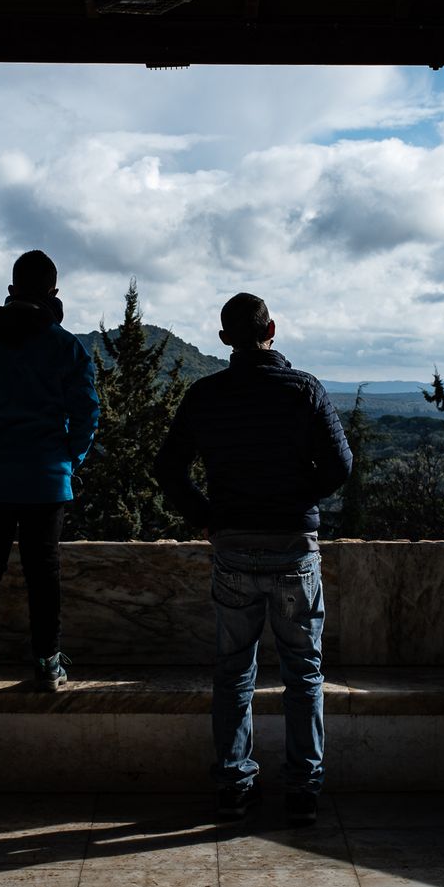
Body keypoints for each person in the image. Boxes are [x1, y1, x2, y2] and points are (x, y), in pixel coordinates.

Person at [154, 292, 352, 826]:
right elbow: (340, 464)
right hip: (293, 551)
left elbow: (168, 468)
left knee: (234, 673)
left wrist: (208, 515)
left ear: (224, 340)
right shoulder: (304, 390)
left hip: (234, 549)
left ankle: (234, 786)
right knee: (303, 674)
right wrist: (295, 500)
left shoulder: (205, 395)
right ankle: (303, 790)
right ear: (274, 329)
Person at [0, 250, 100, 693]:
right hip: (46, 479)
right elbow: (88, 414)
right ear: (54, 293)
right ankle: (48, 664)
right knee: (44, 572)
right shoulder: (67, 347)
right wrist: (68, 462)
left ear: (12, 289)